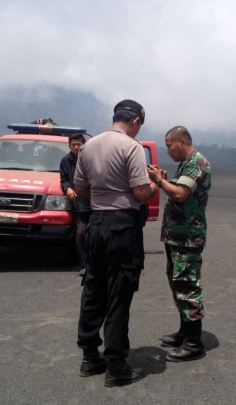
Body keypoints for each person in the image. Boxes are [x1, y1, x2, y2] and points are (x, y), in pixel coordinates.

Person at [74, 100, 158, 387]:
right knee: (119, 292)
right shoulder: (131, 147)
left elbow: (81, 189)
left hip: (96, 223)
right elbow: (139, 190)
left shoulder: (89, 145)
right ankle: (117, 365)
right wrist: (155, 185)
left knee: (93, 287)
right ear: (134, 121)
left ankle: (89, 356)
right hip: (122, 225)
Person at [147, 126, 211, 362]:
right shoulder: (186, 163)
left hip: (188, 238)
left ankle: (194, 342)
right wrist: (164, 179)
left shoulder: (197, 163)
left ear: (182, 141)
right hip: (177, 236)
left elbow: (180, 194)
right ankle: (185, 332)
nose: (168, 150)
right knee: (178, 284)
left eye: (169, 145)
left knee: (187, 285)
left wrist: (159, 180)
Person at [59, 133, 90, 276]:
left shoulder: (91, 159)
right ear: (69, 146)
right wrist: (68, 188)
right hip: (79, 204)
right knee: (81, 233)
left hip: (96, 202)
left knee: (96, 234)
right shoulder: (65, 161)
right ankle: (84, 265)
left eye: (79, 144)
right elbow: (63, 180)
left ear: (84, 145)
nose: (76, 147)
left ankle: (97, 264)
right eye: (73, 144)